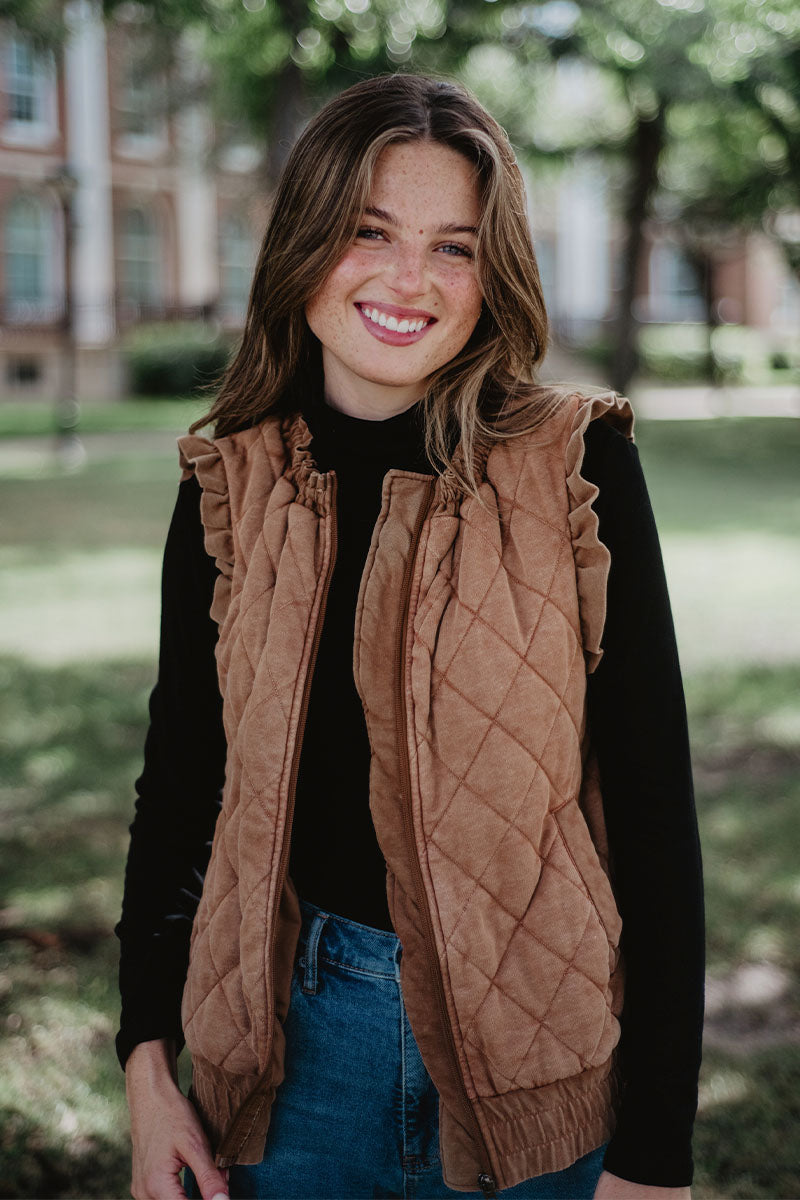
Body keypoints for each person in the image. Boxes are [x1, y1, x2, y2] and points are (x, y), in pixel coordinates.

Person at [115, 73, 705, 1200]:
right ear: (303, 244)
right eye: (367, 232)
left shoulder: (575, 468)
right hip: (287, 1066)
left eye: (453, 246)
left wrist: (653, 1157)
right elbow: (182, 785)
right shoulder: (229, 485)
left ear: (494, 274)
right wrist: (148, 1061)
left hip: (540, 1058)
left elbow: (652, 809)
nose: (407, 280)